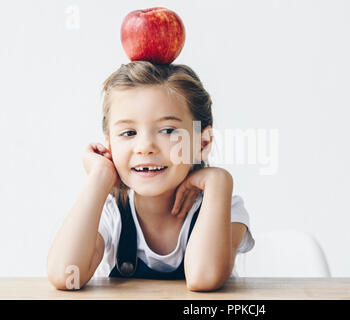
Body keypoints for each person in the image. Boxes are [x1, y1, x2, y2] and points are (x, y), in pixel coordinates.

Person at [46, 61, 255, 292]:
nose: (145, 147)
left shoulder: (224, 207)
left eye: (167, 130)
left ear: (202, 143)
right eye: (129, 133)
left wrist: (219, 181)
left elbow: (203, 278)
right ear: (110, 147)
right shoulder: (111, 213)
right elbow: (65, 275)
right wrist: (100, 175)